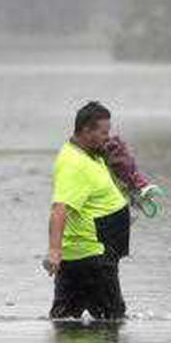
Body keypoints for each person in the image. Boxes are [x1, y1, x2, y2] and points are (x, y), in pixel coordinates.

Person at [45, 101, 130, 320]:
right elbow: (59, 209)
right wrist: (54, 251)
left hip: (86, 257)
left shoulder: (90, 154)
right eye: (103, 132)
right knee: (113, 322)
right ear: (86, 130)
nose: (107, 137)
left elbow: (98, 195)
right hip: (93, 259)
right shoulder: (73, 163)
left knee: (64, 321)